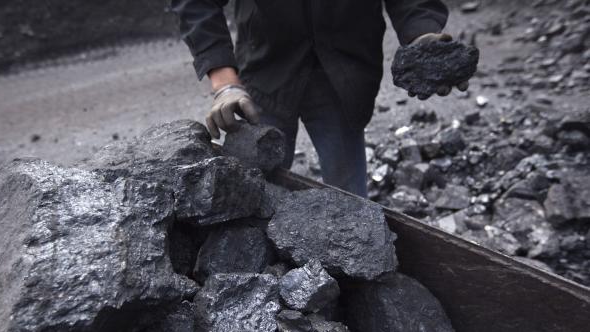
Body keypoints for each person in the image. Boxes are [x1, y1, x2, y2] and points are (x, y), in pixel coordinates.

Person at [171, 0, 468, 197]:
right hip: (266, 70)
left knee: (350, 205)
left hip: (343, 72)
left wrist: (422, 34)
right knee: (254, 198)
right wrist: (224, 82)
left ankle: (353, 282)